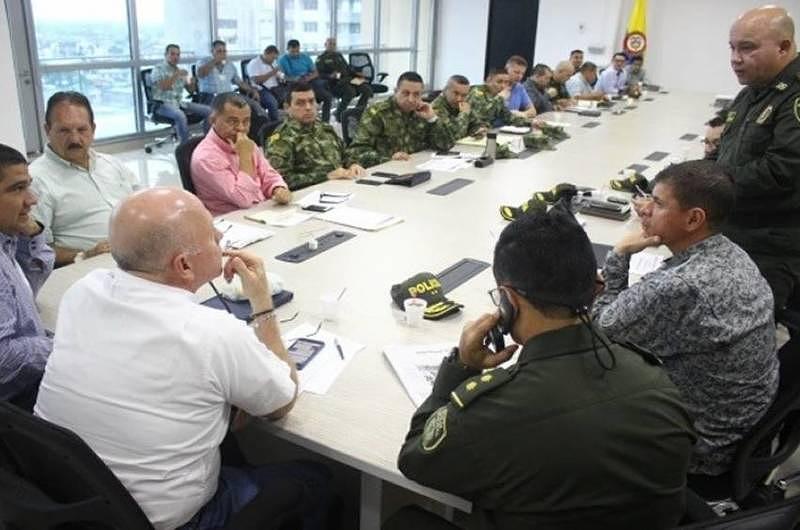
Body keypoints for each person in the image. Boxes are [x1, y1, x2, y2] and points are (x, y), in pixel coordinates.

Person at [35, 187, 333, 530]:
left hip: (69, 502)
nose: (221, 236)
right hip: (163, 522)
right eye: (212, 233)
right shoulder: (212, 332)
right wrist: (262, 305)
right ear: (184, 264)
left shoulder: (82, 291)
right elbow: (280, 402)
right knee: (313, 479)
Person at [398, 204, 695, 529]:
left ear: (508, 300)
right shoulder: (658, 382)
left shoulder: (492, 414)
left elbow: (415, 458)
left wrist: (462, 369)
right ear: (597, 289)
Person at [592, 160, 778, 481]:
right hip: (741, 424)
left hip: (702, 449)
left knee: (573, 400)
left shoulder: (682, 286)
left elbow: (600, 333)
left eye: (659, 203)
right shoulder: (731, 252)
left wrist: (620, 254)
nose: (644, 209)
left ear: (694, 219)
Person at [716, 5, 800, 321]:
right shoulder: (753, 92)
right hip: (736, 234)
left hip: (770, 247)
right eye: (732, 48)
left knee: (744, 337)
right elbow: (725, 149)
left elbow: (782, 171)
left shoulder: (794, 97)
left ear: (784, 47)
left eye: (747, 48)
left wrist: (709, 181)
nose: (735, 58)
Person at [30, 91, 140, 266]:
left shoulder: (111, 164)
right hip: (92, 266)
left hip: (140, 253)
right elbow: (36, 251)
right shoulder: (36, 180)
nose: (75, 139)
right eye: (64, 130)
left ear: (93, 129)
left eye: (82, 130)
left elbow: (143, 203)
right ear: (47, 130)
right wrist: (84, 255)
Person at [0, 144, 54, 412]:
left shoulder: (5, 240)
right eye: (17, 189)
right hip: (14, 406)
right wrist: (61, 347)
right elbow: (3, 357)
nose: (32, 199)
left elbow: (26, 292)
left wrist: (31, 236)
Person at [191, 93, 291, 216]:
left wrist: (278, 188)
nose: (241, 128)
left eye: (246, 121)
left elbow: (268, 174)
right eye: (232, 122)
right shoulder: (205, 157)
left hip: (262, 211)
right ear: (213, 120)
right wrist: (245, 157)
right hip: (232, 221)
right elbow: (245, 199)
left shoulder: (245, 143)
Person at [267, 82, 366, 191]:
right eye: (300, 103)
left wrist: (353, 164)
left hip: (342, 188)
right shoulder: (282, 138)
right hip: (310, 196)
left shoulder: (324, 128)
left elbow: (346, 154)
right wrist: (326, 176)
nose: (308, 107)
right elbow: (279, 181)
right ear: (287, 108)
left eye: (311, 101)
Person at [346, 71, 455, 168]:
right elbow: (356, 152)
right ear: (395, 91)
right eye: (405, 93)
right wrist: (388, 159)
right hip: (386, 170)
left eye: (416, 94)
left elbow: (446, 145)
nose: (411, 99)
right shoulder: (378, 113)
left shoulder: (422, 111)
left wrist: (432, 119)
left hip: (415, 167)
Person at [150, 44, 212, 144]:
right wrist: (177, 74)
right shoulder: (158, 69)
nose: (176, 57)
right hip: (161, 104)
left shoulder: (180, 71)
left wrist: (193, 82)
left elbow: (191, 91)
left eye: (178, 55)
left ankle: (208, 143)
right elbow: (163, 87)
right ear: (166, 55)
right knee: (180, 115)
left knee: (209, 111)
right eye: (172, 54)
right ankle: (185, 146)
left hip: (179, 103)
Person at [315, 37, 372, 122]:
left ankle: (357, 112)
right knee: (350, 92)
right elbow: (319, 75)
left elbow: (347, 68)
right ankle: (340, 114)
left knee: (367, 90)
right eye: (330, 44)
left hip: (349, 79)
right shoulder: (321, 58)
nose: (332, 46)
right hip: (335, 83)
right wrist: (330, 76)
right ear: (325, 45)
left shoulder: (339, 55)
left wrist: (356, 74)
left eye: (334, 44)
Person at [195, 40, 262, 111]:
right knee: (225, 111)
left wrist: (252, 90)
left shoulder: (230, 64)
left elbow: (239, 82)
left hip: (228, 95)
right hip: (211, 95)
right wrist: (215, 61)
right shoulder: (203, 61)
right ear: (212, 52)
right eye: (219, 51)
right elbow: (201, 74)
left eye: (224, 51)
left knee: (254, 105)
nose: (222, 53)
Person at [278, 39, 333, 122]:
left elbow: (315, 73)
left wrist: (307, 78)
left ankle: (325, 122)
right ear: (288, 49)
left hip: (308, 81)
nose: (295, 54)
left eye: (297, 51)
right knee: (292, 99)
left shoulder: (305, 57)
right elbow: (281, 76)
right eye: (293, 52)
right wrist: (293, 79)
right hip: (292, 84)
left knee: (327, 97)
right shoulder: (282, 60)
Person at [431, 75, 485, 140]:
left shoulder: (462, 103)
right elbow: (453, 136)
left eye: (464, 95)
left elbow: (477, 123)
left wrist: (480, 130)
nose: (459, 98)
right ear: (445, 90)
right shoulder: (436, 107)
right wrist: (464, 114)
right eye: (456, 93)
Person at [246, 45, 287, 123]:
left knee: (291, 97)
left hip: (276, 88)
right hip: (261, 90)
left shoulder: (273, 62)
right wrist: (272, 72)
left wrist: (281, 77)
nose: (273, 60)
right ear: (265, 53)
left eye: (275, 58)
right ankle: (274, 125)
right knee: (273, 103)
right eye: (272, 58)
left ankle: (287, 122)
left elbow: (279, 74)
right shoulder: (254, 63)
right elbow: (256, 81)